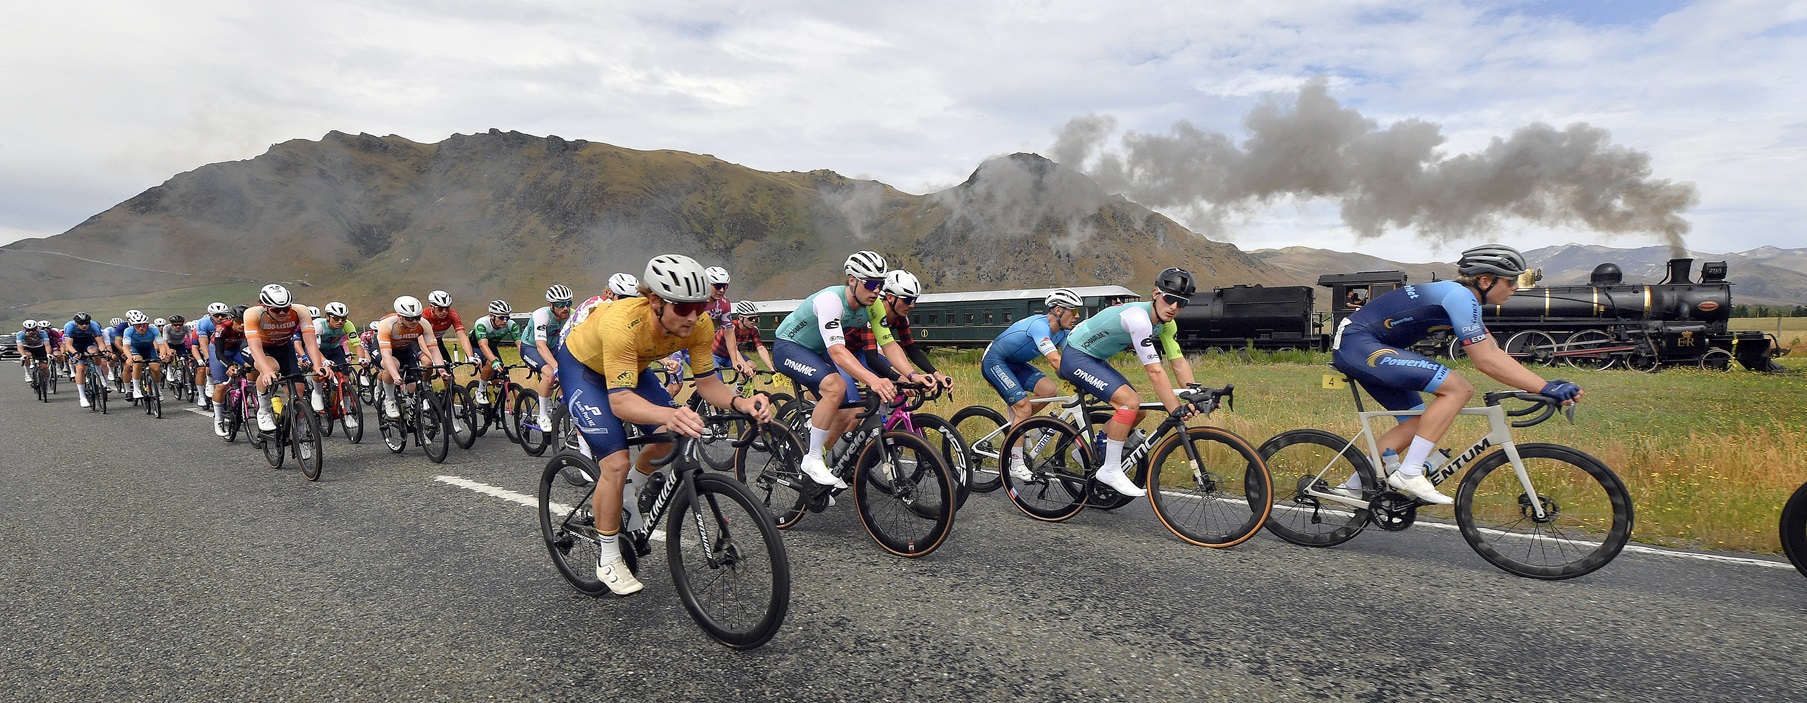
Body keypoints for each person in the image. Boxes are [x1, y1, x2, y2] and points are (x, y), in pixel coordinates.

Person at [558, 254, 773, 595]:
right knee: (615, 463)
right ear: (655, 301)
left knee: (666, 439)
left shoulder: (700, 325)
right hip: (582, 368)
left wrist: (742, 402)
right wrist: (669, 413)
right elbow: (620, 402)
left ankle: (625, 492)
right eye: (683, 309)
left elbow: (707, 383)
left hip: (631, 366)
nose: (693, 317)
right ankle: (609, 557)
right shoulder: (623, 322)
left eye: (700, 306)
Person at [1328, 243, 1581, 505]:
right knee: (1459, 389)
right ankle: (1410, 473)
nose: (1516, 287)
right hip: (1359, 345)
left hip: (1363, 345)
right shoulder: (1460, 297)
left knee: (1416, 422)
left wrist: (1545, 384)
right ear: (1485, 280)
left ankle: (1354, 487)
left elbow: (1494, 352)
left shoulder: (1463, 299)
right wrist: (1544, 387)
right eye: (1510, 280)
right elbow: (1485, 361)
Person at [771, 251, 929, 488]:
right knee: (835, 387)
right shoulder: (831, 300)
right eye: (871, 284)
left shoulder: (873, 306)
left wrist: (913, 375)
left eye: (880, 284)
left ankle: (822, 458)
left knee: (849, 410)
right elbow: (837, 352)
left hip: (816, 349)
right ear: (852, 280)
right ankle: (812, 459)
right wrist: (873, 380)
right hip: (789, 347)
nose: (876, 290)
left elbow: (888, 344)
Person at [1057, 268, 1202, 498]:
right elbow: (1155, 371)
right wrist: (1175, 408)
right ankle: (1110, 469)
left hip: (1094, 358)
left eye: (1181, 303)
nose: (1174, 307)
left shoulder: (1167, 324)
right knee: (1129, 403)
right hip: (1075, 355)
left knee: (1139, 411)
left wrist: (1195, 393)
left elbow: (1178, 363)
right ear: (1156, 294)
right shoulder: (1138, 318)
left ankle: (1091, 449)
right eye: (1170, 298)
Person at [982, 288, 1084, 480]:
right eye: (1074, 310)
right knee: (1023, 408)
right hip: (995, 361)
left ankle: (1021, 425)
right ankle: (1016, 462)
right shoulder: (1040, 327)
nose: (1077, 316)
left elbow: (1070, 361)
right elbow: (1055, 361)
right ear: (1059, 310)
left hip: (1015, 364)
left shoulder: (1061, 333)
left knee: (1049, 390)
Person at [843, 269, 953, 390]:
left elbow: (911, 349)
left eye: (914, 300)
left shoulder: (901, 318)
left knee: (893, 386)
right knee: (849, 394)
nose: (912, 305)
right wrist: (902, 379)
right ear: (890, 297)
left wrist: (936, 374)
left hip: (859, 352)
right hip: (840, 354)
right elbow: (872, 358)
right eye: (907, 300)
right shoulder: (872, 312)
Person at [243, 285, 327, 432]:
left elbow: (310, 341)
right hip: (260, 348)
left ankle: (300, 433)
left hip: (283, 346)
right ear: (265, 306)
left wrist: (318, 366)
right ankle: (263, 410)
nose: (282, 312)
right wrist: (267, 370)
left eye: (286, 308)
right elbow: (255, 346)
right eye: (276, 309)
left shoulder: (300, 311)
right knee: (271, 368)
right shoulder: (253, 314)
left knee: (299, 392)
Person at [374, 295, 449, 418]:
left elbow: (434, 350)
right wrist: (395, 376)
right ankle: (390, 399)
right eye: (409, 319)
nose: (414, 321)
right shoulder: (387, 324)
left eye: (417, 317)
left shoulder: (423, 324)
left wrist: (441, 370)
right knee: (394, 365)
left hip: (404, 349)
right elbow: (386, 356)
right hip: (383, 350)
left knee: (413, 387)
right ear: (400, 316)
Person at [522, 285, 574, 430]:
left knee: (570, 374)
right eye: (560, 304)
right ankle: (542, 415)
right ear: (550, 305)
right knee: (549, 374)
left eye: (568, 303)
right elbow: (540, 346)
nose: (565, 308)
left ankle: (558, 406)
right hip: (531, 348)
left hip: (553, 347)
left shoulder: (574, 315)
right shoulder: (541, 315)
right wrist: (556, 367)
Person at [470, 300, 520, 404]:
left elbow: (519, 344)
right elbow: (483, 345)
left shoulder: (511, 325)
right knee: (491, 362)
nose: (505, 320)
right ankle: (481, 390)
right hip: (475, 347)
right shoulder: (482, 323)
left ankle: (496, 405)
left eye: (507, 317)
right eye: (501, 317)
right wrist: (493, 361)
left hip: (492, 347)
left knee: (499, 378)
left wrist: (528, 360)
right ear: (492, 316)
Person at [712, 300, 773, 378]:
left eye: (756, 318)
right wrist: (745, 367)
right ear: (740, 317)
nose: (753, 321)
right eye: (750, 318)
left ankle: (739, 389)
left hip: (730, 357)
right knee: (718, 379)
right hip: (714, 355)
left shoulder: (754, 330)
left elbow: (761, 348)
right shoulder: (730, 328)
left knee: (752, 366)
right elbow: (734, 349)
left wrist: (771, 368)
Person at [62, 313, 107, 407]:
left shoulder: (94, 325)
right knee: (80, 368)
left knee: (95, 352)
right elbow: (68, 345)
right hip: (75, 345)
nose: (84, 325)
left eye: (86, 323)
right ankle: (82, 397)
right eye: (81, 323)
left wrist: (104, 351)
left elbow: (100, 342)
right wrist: (74, 353)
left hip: (89, 342)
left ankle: (99, 374)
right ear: (76, 323)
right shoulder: (69, 326)